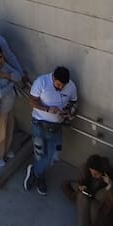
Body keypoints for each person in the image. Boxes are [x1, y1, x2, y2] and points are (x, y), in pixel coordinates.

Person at [23, 66, 77, 196]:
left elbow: (74, 102)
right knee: (40, 155)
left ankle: (34, 171)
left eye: (63, 85)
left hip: (56, 127)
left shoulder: (71, 86)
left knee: (54, 157)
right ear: (53, 78)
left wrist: (69, 112)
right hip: (39, 124)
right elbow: (31, 101)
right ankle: (41, 178)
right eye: (58, 85)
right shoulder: (41, 81)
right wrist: (47, 109)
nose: (61, 88)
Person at [69, 155, 113, 226]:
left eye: (96, 173)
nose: (93, 175)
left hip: (98, 205)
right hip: (85, 197)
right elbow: (73, 183)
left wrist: (109, 186)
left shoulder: (108, 180)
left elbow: (101, 198)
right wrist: (80, 187)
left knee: (94, 208)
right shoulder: (86, 170)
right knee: (82, 197)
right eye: (91, 172)